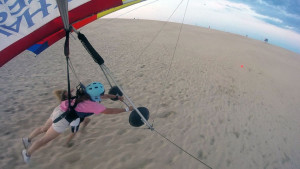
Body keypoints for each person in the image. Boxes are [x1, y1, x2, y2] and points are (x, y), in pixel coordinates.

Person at [21, 82, 132, 163]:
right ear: (96, 96)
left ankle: (28, 139)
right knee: (44, 140)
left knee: (43, 128)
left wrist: (117, 97)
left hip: (59, 109)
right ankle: (27, 153)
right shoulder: (93, 105)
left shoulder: (84, 93)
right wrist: (127, 109)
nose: (102, 95)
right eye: (100, 94)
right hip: (63, 119)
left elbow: (105, 96)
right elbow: (111, 111)